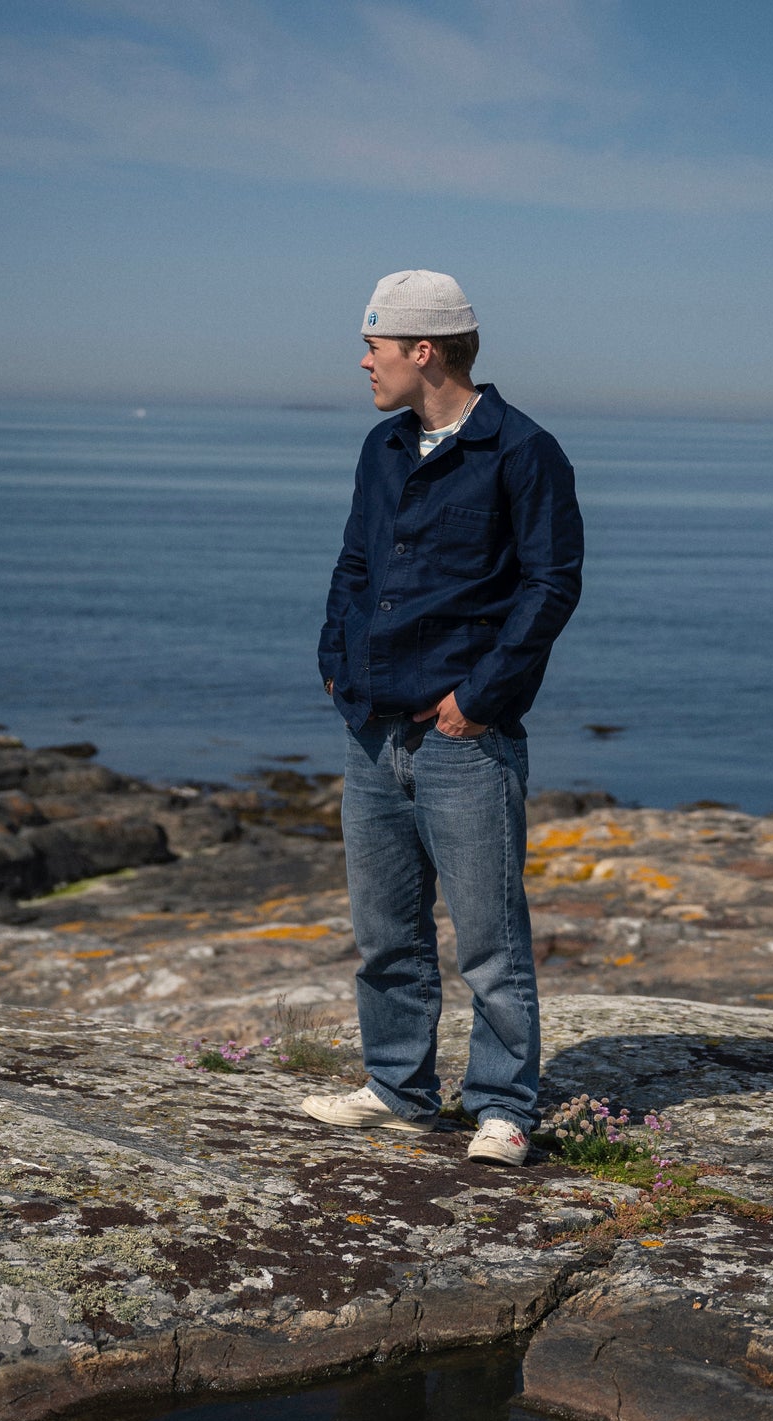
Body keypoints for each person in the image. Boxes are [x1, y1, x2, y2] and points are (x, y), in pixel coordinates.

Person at [303, 269, 584, 1165]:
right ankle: (397, 1087)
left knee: (490, 941)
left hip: (466, 737)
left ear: (423, 351)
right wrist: (336, 667)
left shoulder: (522, 451)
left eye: (373, 346)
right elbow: (354, 567)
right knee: (385, 933)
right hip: (371, 729)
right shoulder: (382, 449)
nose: (362, 361)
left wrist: (479, 699)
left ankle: (502, 1106)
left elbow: (550, 586)